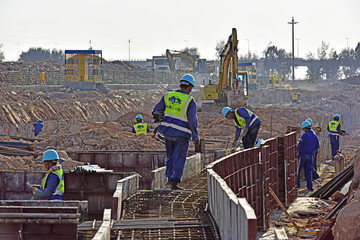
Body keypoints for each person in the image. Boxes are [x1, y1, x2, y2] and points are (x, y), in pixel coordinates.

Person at [153, 74, 200, 190]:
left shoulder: (168, 96)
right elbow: (192, 121)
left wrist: (162, 121)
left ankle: (169, 178)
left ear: (180, 85)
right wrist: (195, 137)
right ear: (189, 88)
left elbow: (157, 111)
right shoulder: (190, 101)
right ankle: (174, 182)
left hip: (168, 133)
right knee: (179, 157)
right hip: (182, 135)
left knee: (170, 156)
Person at [297, 120, 319, 191]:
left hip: (303, 155)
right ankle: (310, 186)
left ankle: (297, 185)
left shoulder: (304, 136)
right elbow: (317, 146)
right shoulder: (315, 136)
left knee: (298, 170)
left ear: (305, 128)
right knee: (309, 171)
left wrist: (298, 149)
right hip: (310, 155)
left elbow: (300, 145)